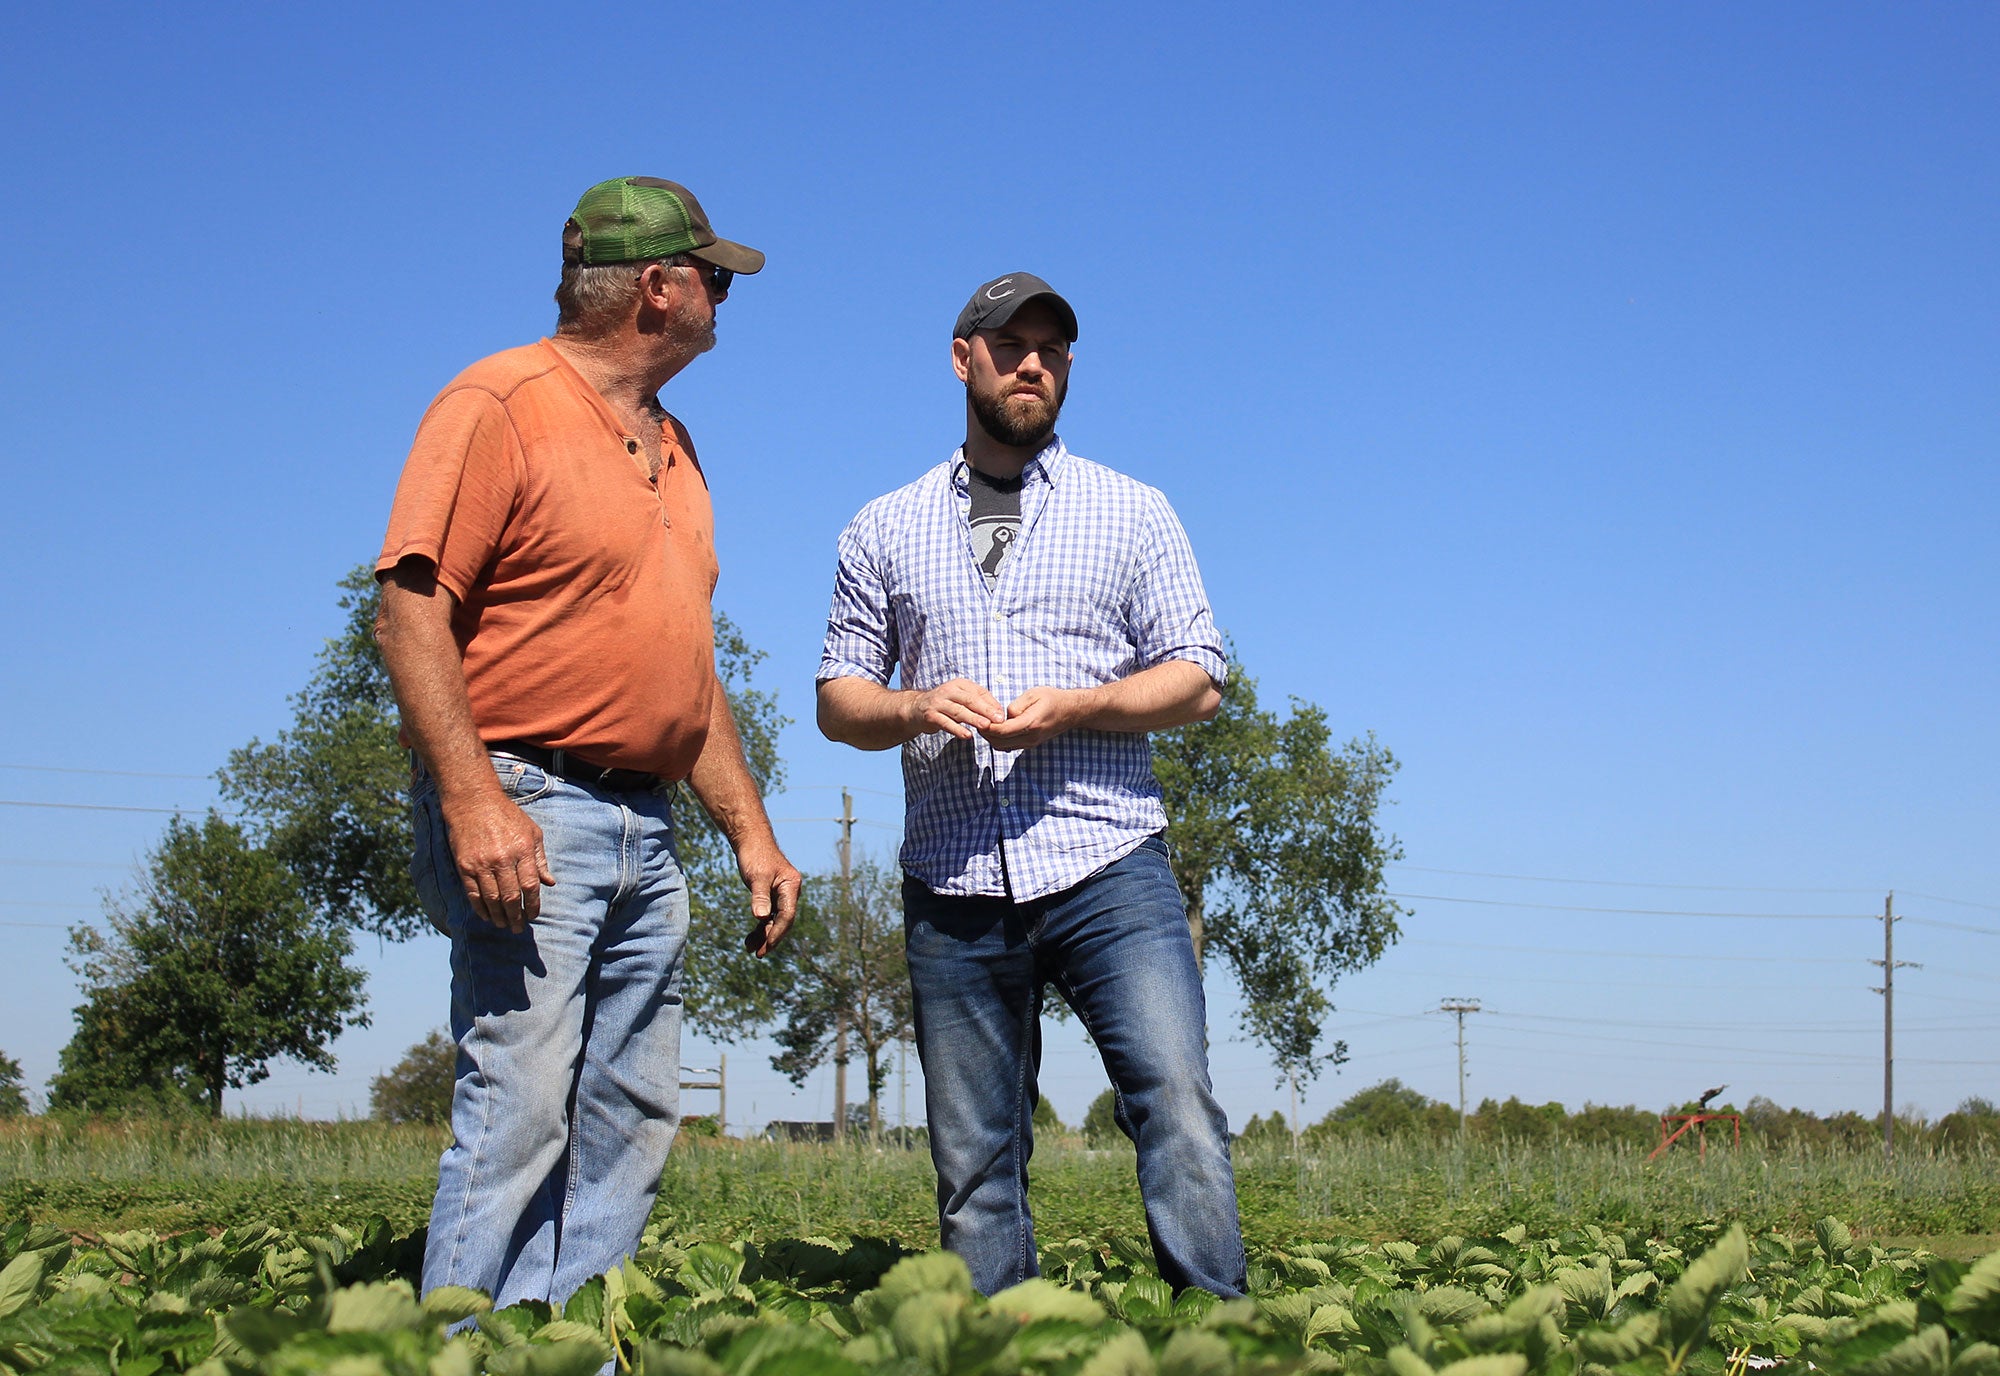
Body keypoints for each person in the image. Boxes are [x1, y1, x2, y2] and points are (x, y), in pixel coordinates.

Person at [374, 176, 801, 1308]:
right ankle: (464, 1339)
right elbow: (411, 607)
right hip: (530, 802)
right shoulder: (498, 403)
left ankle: (567, 1332)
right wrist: (471, 801)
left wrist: (750, 836)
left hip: (647, 825)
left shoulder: (677, 444)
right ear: (657, 289)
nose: (723, 294)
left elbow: (686, 672)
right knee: (518, 1107)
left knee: (632, 1110)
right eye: (711, 276)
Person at [815, 272, 1247, 1297]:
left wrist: (1074, 707)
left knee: (1174, 1101)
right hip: (953, 882)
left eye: (1051, 349)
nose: (1032, 364)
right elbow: (838, 698)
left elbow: (1198, 676)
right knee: (973, 1162)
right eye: (1010, 344)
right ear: (961, 356)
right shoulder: (882, 525)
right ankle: (1003, 1341)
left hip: (1107, 865)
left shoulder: (1131, 509)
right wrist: (913, 705)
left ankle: (1217, 1337)